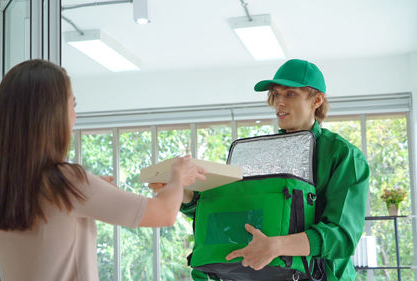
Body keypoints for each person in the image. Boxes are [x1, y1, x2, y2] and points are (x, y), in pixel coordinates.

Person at [0, 59, 207, 281]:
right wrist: (178, 176)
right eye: (73, 105)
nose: (74, 116)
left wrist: (92, 191)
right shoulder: (67, 183)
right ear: (51, 115)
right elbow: (163, 213)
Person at [151, 59, 370, 281]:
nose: (279, 103)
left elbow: (342, 236)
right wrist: (182, 193)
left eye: (290, 94)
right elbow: (230, 213)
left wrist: (276, 246)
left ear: (316, 100)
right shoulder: (259, 154)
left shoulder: (343, 155)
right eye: (276, 95)